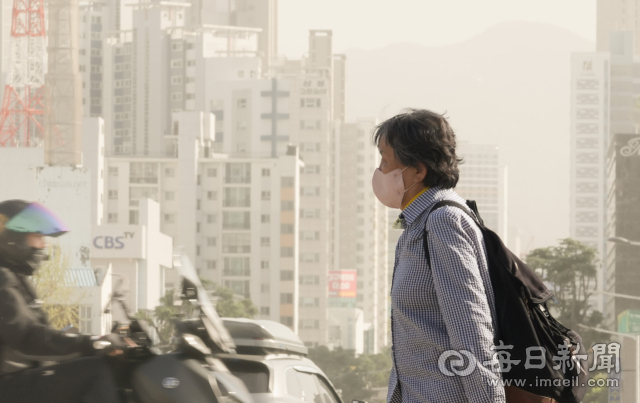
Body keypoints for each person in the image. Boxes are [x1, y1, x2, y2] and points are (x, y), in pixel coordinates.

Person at [373, 109, 505, 403]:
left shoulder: (442, 221)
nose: (379, 171)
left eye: (385, 159)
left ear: (418, 170)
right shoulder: (416, 225)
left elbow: (471, 330)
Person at [0, 199, 124, 403]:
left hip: (17, 383)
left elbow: (42, 336)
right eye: (38, 236)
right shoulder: (3, 278)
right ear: (13, 238)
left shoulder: (15, 278)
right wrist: (89, 342)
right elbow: (27, 336)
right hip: (8, 387)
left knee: (97, 363)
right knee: (96, 370)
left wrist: (88, 344)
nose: (44, 245)